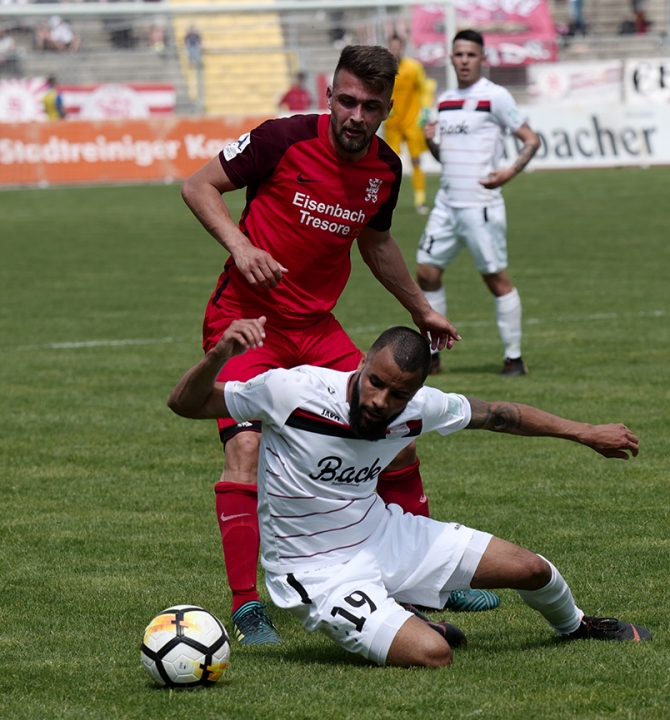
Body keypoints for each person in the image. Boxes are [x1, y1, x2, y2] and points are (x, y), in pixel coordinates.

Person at [181, 45, 499, 646]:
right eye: (346, 100)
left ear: (386, 108)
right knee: (245, 449)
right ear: (330, 95)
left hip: (315, 326)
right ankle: (248, 606)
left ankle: (423, 582)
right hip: (246, 318)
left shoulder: (384, 168)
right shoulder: (282, 139)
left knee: (396, 435)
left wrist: (422, 309)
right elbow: (198, 186)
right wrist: (241, 248)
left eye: (370, 106)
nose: (355, 114)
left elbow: (376, 245)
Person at [168, 319, 652, 667]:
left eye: (398, 394)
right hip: (314, 570)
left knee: (533, 569)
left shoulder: (422, 407)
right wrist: (218, 356)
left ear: (416, 390)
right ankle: (409, 621)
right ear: (360, 364)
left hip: (383, 534)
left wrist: (585, 432)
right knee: (433, 653)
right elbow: (184, 404)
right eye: (375, 382)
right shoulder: (292, 391)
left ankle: (578, 627)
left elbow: (501, 414)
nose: (381, 401)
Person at [417, 30, 541, 377]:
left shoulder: (496, 97)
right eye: (459, 54)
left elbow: (531, 140)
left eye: (471, 54)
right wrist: (431, 143)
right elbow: (447, 157)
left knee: (495, 280)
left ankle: (514, 359)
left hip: (480, 205)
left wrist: (508, 173)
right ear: (451, 58)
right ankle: (434, 356)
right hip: (446, 203)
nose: (465, 60)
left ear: (482, 58)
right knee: (426, 272)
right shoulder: (445, 100)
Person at [384, 35, 434, 215]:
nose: (395, 50)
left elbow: (424, 89)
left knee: (416, 160)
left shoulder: (413, 67)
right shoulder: (384, 69)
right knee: (388, 164)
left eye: (398, 47)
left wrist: (426, 110)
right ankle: (387, 202)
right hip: (391, 122)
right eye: (392, 47)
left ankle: (420, 201)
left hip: (412, 121)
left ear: (402, 48)